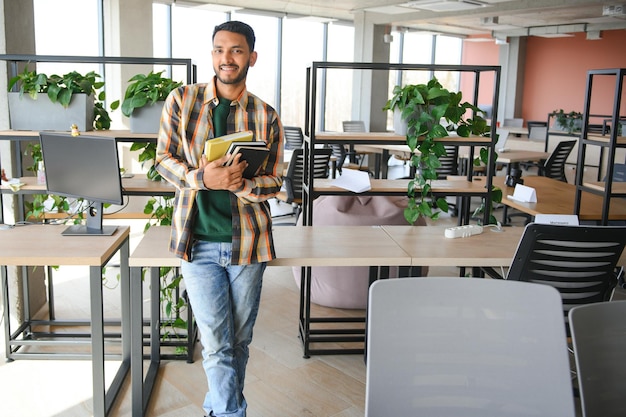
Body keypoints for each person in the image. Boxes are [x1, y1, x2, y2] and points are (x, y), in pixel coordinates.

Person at [155, 20, 284, 417]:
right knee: (215, 342)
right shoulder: (182, 100)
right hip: (197, 242)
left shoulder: (266, 114)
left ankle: (218, 408)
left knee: (238, 341)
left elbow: (275, 181)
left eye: (236, 50)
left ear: (252, 57)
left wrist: (240, 183)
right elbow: (162, 161)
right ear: (212, 54)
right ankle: (231, 413)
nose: (226, 58)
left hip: (248, 242)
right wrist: (203, 177)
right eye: (219, 50)